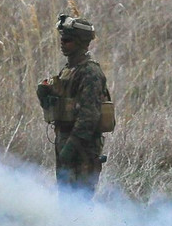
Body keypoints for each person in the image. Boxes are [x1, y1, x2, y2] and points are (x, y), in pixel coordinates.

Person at [37, 14, 115, 198]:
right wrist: (44, 95)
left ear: (80, 43)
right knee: (66, 198)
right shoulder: (68, 70)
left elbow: (89, 116)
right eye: (62, 39)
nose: (62, 43)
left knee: (80, 199)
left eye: (68, 40)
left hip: (83, 147)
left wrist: (71, 147)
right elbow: (59, 106)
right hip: (65, 140)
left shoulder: (90, 72)